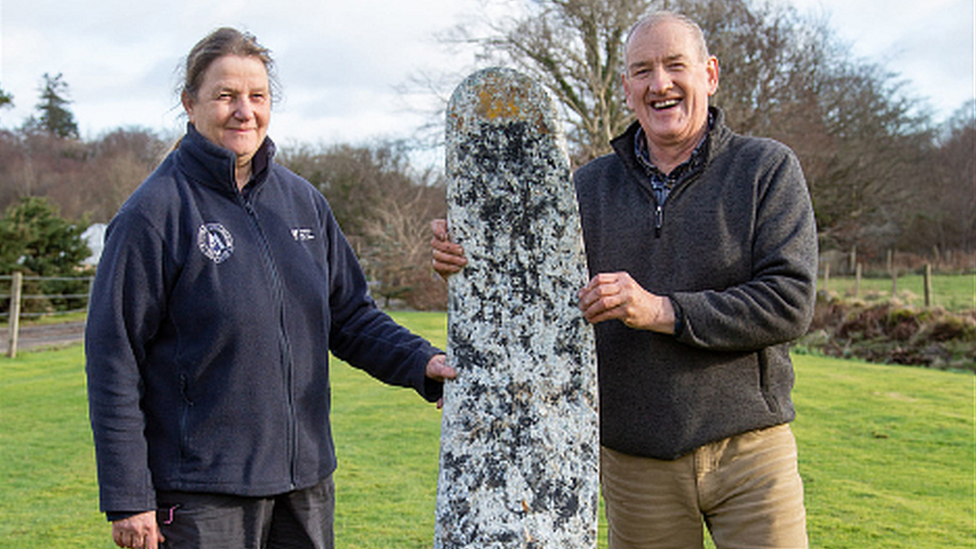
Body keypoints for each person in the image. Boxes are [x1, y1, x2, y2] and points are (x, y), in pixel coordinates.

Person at [431, 11, 817, 549]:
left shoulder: (766, 169)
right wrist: (469, 255)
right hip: (636, 465)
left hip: (749, 452)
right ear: (626, 88)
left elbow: (789, 302)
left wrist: (662, 310)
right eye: (643, 70)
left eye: (674, 65)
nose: (660, 84)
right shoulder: (583, 187)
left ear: (709, 74)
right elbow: (534, 300)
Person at [86, 27, 455, 549]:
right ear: (190, 104)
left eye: (257, 96)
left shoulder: (303, 203)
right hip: (200, 495)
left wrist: (421, 363)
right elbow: (112, 358)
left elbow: (349, 316)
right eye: (226, 96)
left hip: (305, 486)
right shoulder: (153, 213)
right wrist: (129, 496)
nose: (244, 111)